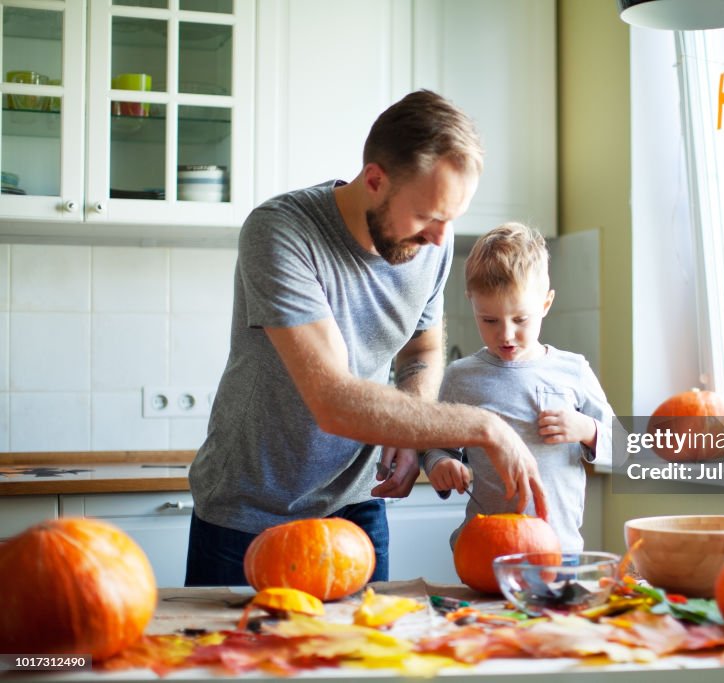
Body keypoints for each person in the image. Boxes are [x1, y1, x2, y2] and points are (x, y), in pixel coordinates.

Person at [185, 90, 548, 587]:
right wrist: (485, 426)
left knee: (365, 660)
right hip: (248, 513)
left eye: (452, 218)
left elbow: (420, 347)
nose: (442, 240)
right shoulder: (281, 233)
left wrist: (404, 424)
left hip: (358, 504)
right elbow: (333, 400)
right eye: (428, 217)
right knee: (230, 663)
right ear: (375, 180)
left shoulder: (431, 247)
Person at [423, 222, 614, 552]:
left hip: (560, 549)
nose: (506, 334)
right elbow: (434, 446)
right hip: (488, 550)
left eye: (520, 319)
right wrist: (441, 464)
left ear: (545, 304)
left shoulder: (573, 371)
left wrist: (588, 429)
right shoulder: (461, 377)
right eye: (489, 320)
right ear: (472, 304)